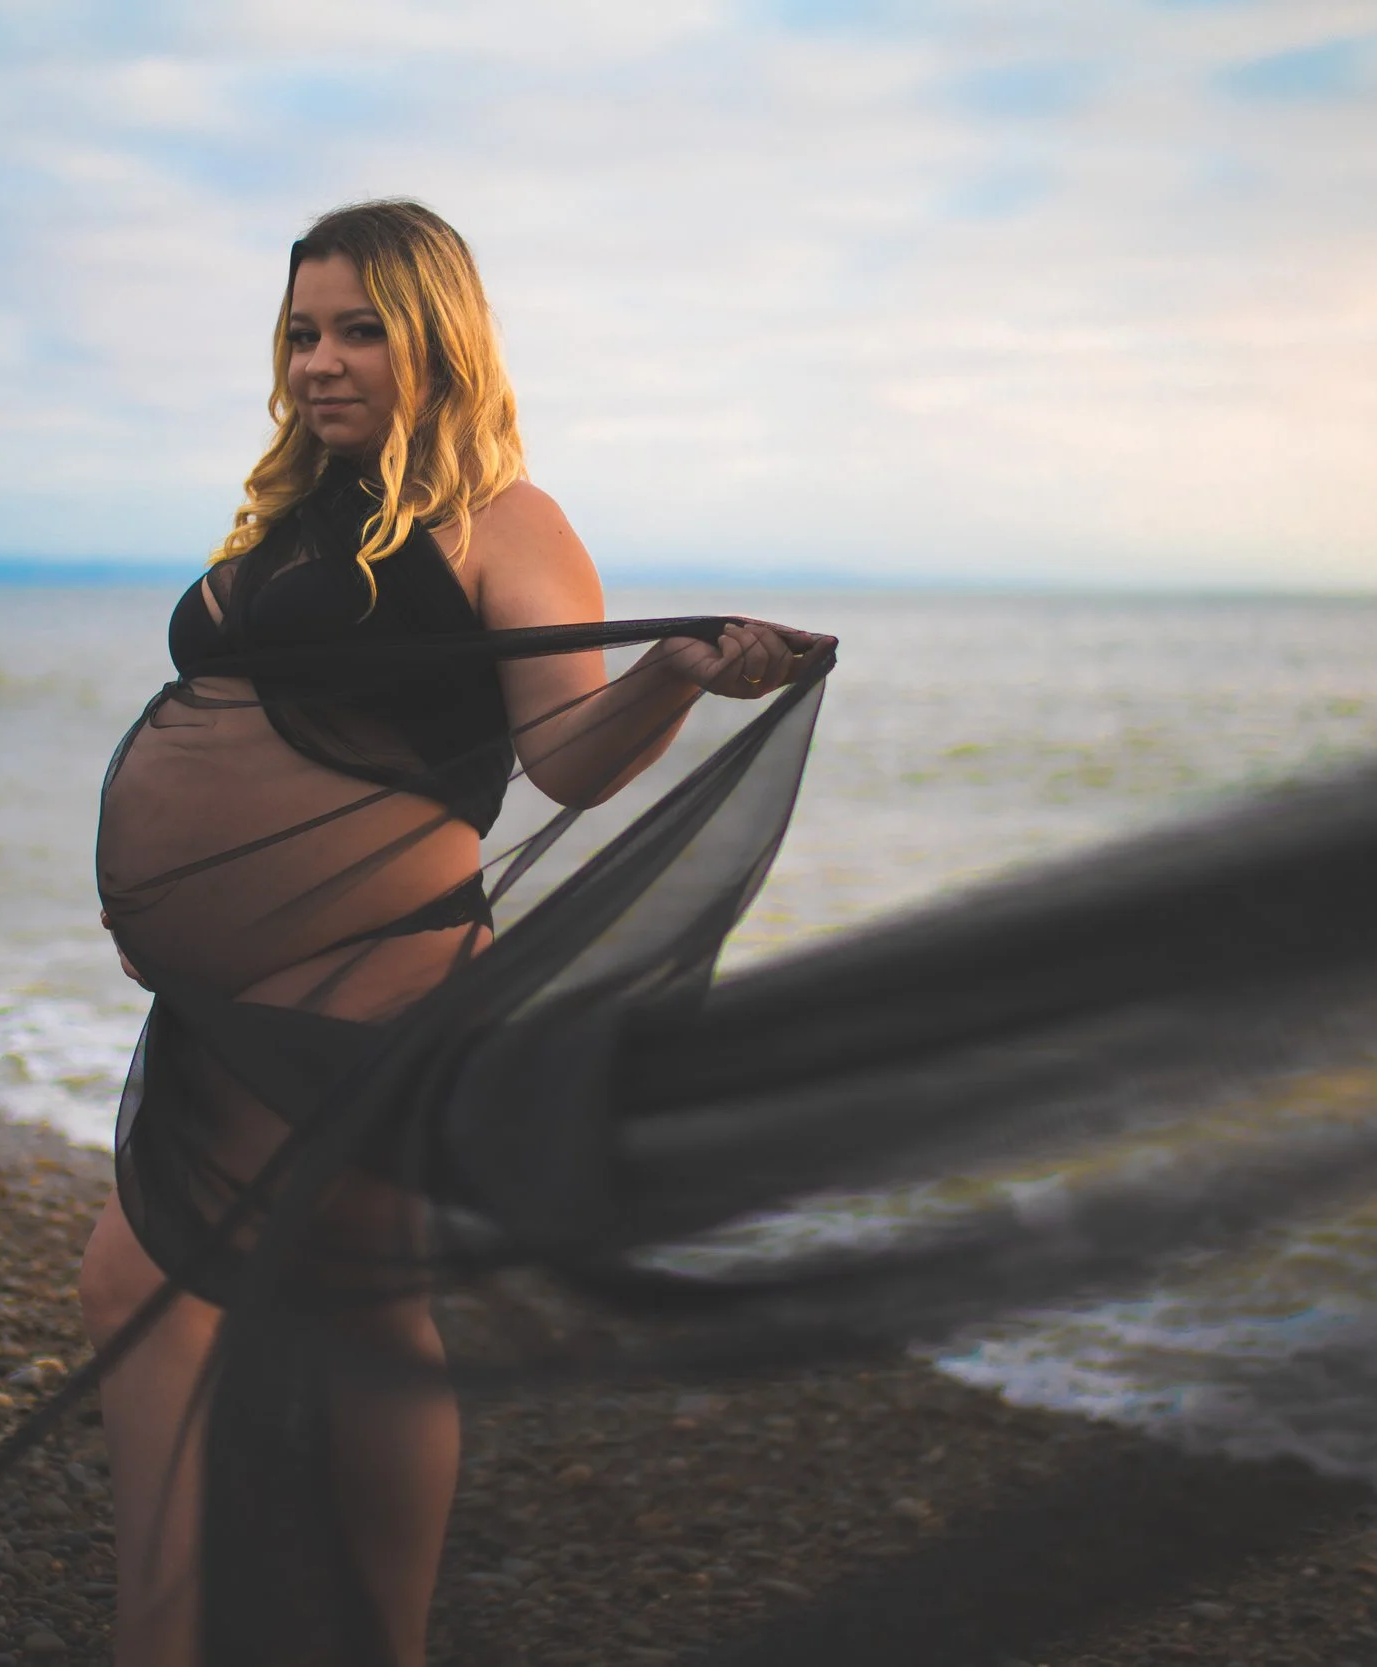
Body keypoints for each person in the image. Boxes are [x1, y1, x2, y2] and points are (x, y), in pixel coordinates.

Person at [76, 198, 824, 1667]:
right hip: (231, 1004)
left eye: (361, 329)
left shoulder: (507, 521)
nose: (322, 363)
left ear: (438, 339)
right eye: (301, 333)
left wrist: (672, 675)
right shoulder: (296, 520)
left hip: (378, 989)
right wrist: (174, 906)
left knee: (293, 1306)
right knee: (212, 1295)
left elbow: (569, 757)